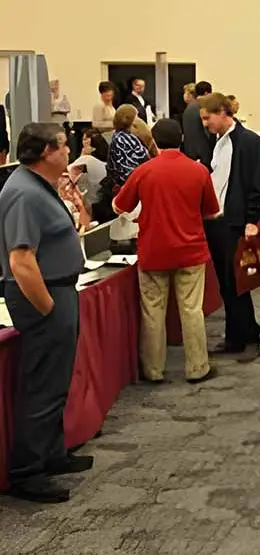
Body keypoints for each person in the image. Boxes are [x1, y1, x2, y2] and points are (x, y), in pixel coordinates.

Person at [1, 123, 90, 503]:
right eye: (63, 147)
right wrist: (49, 307)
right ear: (45, 153)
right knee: (42, 386)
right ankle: (27, 472)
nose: (69, 152)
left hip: (57, 290)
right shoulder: (23, 193)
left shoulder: (35, 187)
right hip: (45, 296)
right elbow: (21, 261)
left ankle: (51, 454)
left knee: (54, 383)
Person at [112, 119, 219, 385]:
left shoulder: (144, 171)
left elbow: (119, 206)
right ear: (181, 138)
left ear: (154, 142)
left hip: (154, 251)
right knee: (192, 310)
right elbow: (212, 211)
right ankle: (197, 367)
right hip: (191, 250)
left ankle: (153, 369)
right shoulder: (198, 171)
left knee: (152, 311)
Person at [200, 92, 260, 362]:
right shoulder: (216, 141)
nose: (206, 124)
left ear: (222, 112)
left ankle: (250, 336)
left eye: (208, 118)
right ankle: (235, 336)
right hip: (217, 222)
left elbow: (257, 185)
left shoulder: (249, 142)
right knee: (227, 285)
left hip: (237, 223)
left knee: (240, 283)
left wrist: (252, 219)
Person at [95, 105, 150, 224]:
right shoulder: (125, 140)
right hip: (127, 190)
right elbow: (133, 169)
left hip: (123, 187)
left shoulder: (119, 136)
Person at [69, 130, 109, 210]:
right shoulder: (106, 162)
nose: (83, 142)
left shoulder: (87, 159)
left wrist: (83, 155)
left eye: (85, 139)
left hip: (90, 201)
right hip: (102, 199)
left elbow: (68, 171)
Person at [182, 81, 215, 168]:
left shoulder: (189, 108)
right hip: (203, 154)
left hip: (189, 152)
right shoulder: (203, 107)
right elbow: (208, 132)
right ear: (207, 93)